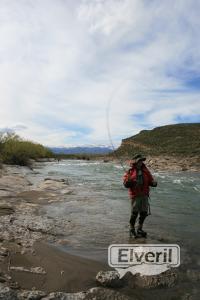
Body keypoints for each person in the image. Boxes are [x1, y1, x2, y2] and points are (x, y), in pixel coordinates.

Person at [123, 154, 157, 238]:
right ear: (135, 161)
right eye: (139, 160)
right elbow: (125, 183)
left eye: (142, 160)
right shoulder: (130, 171)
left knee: (144, 213)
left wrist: (153, 183)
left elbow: (150, 180)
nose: (141, 162)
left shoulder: (145, 170)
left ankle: (139, 229)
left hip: (144, 195)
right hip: (135, 195)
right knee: (134, 213)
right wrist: (127, 183)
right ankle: (131, 230)